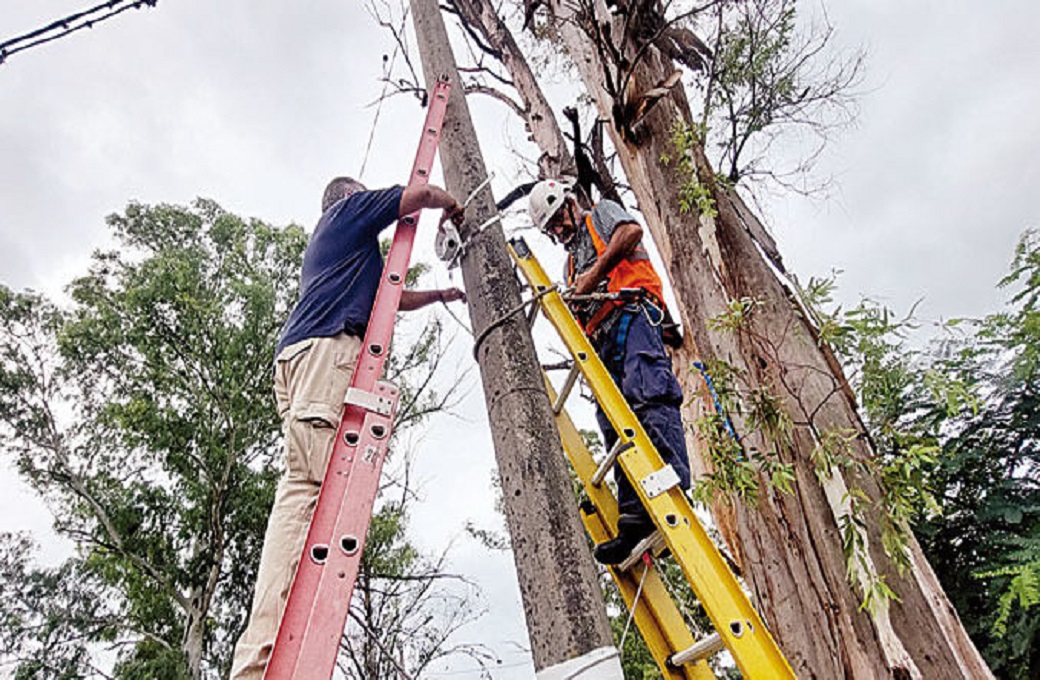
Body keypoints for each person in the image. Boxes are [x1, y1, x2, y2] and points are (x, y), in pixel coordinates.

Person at [231, 177, 466, 679]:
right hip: (324, 355)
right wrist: (453, 208)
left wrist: (441, 295)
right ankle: (264, 665)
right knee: (312, 492)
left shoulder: (344, 258)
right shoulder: (345, 215)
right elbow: (418, 194)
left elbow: (391, 297)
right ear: (347, 198)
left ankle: (260, 657)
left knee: (302, 488)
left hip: (303, 361)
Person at [527, 179, 691, 565]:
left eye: (559, 221)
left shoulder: (602, 214)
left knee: (646, 390)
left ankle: (672, 476)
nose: (559, 231)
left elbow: (631, 233)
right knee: (613, 423)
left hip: (632, 313)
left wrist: (594, 275)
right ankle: (633, 518)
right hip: (601, 338)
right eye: (551, 229)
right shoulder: (569, 265)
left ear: (569, 203)